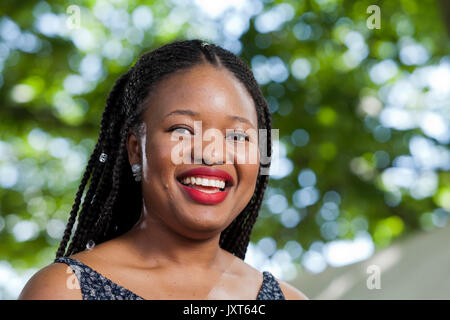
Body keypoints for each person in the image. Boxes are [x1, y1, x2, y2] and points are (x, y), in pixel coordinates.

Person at [18, 39, 308, 300]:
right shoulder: (63, 290)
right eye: (182, 129)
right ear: (135, 149)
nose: (212, 153)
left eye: (237, 136)